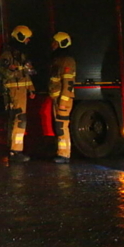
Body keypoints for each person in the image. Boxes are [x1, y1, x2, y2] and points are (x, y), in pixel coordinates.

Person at [0, 25, 35, 162]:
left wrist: (31, 88)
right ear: (20, 37)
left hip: (21, 92)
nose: (28, 41)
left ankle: (14, 149)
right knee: (19, 120)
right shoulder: (7, 55)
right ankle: (16, 151)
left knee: (17, 120)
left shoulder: (21, 55)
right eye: (26, 38)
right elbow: (2, 74)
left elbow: (27, 74)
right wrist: (12, 69)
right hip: (13, 92)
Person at [48, 31, 76, 163]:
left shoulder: (68, 61)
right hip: (57, 99)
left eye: (55, 43)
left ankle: (64, 154)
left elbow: (68, 84)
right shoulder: (58, 60)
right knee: (58, 126)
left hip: (62, 100)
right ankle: (61, 153)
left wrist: (63, 101)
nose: (52, 45)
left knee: (61, 126)